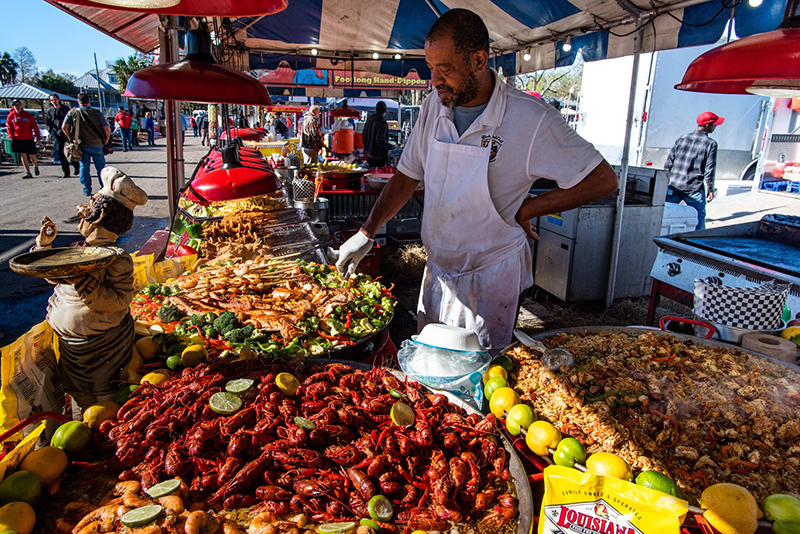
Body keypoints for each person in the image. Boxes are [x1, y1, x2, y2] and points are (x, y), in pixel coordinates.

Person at [331, 9, 618, 353]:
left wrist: (530, 208)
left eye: (445, 68)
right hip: (437, 272)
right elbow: (407, 175)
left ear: (479, 60)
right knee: (431, 372)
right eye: (431, 68)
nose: (434, 79)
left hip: (490, 277)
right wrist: (367, 232)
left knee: (480, 377)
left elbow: (602, 179)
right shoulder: (432, 109)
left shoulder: (531, 119)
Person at [32, 167, 148, 418]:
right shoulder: (76, 251)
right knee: (78, 398)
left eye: (88, 210)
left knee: (106, 402)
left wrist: (91, 289)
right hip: (72, 349)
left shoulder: (117, 260)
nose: (81, 214)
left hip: (104, 348)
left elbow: (121, 300)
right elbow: (49, 273)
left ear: (98, 217)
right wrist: (43, 246)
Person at [664, 112, 724, 230]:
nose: (715, 127)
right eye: (714, 124)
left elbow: (668, 163)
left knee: (665, 214)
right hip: (693, 188)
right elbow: (709, 169)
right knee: (699, 215)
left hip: (674, 185)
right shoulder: (711, 143)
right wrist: (710, 189)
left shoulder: (682, 138)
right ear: (707, 126)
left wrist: (664, 183)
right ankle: (696, 241)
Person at [63, 93, 111, 196]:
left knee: (84, 167)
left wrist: (71, 138)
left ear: (78, 101)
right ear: (89, 101)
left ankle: (87, 189)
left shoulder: (72, 113)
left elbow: (64, 127)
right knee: (101, 168)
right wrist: (106, 140)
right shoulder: (97, 113)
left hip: (81, 144)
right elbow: (107, 128)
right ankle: (103, 188)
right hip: (97, 144)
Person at [6, 100, 41, 179]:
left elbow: (35, 126)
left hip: (28, 138)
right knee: (23, 155)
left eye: (19, 105)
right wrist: (12, 137)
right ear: (13, 106)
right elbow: (9, 127)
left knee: (31, 155)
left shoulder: (27, 115)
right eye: (15, 105)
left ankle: (35, 166)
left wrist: (38, 137)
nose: (18, 107)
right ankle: (28, 172)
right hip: (18, 138)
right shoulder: (11, 116)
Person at [46, 94, 80, 178]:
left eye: (55, 99)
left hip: (66, 133)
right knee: (60, 152)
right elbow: (49, 123)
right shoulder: (50, 110)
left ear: (58, 100)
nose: (54, 101)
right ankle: (66, 172)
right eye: (52, 100)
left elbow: (71, 121)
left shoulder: (65, 109)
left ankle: (76, 166)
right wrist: (49, 133)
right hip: (57, 134)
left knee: (71, 150)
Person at [362, 100, 391, 168]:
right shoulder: (382, 122)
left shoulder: (369, 120)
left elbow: (364, 135)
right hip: (378, 155)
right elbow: (380, 139)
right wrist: (389, 146)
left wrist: (366, 148)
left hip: (369, 154)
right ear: (385, 111)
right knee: (378, 175)